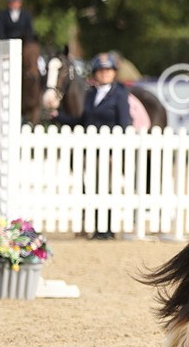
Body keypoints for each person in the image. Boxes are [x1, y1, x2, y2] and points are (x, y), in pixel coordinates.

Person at [57, 53, 133, 239]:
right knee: (92, 187)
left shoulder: (120, 95)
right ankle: (95, 226)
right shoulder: (91, 95)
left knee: (106, 188)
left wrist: (118, 152)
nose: (104, 74)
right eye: (101, 71)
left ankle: (106, 229)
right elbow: (82, 120)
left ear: (114, 73)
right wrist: (57, 116)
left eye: (107, 70)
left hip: (109, 151)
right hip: (91, 152)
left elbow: (125, 123)